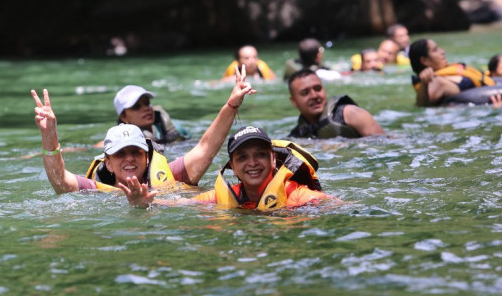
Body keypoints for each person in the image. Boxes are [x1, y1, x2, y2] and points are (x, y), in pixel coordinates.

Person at [31, 65, 256, 194]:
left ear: (147, 157)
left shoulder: (169, 178)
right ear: (108, 162)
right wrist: (48, 135)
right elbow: (59, 181)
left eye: (136, 152)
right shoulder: (97, 190)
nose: (129, 158)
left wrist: (232, 103)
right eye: (120, 153)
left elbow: (206, 149)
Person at [122, 126, 332, 211]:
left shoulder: (298, 196)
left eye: (260, 155)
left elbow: (339, 206)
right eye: (242, 157)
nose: (252, 163)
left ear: (273, 160)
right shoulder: (222, 197)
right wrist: (144, 203)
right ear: (232, 166)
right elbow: (182, 204)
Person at [287, 69, 386, 138]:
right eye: (305, 93)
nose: (314, 95)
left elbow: (385, 144)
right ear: (294, 101)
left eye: (318, 89)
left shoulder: (351, 114)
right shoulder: (298, 135)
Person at [409, 39, 495, 106]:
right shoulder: (436, 82)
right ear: (425, 60)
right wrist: (424, 84)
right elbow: (422, 106)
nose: (442, 51)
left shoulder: (447, 72)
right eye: (435, 50)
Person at [109, 85, 190, 145]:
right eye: (136, 107)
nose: (146, 108)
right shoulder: (118, 142)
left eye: (147, 103)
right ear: (123, 117)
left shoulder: (177, 129)